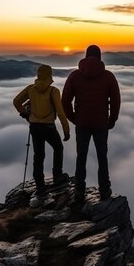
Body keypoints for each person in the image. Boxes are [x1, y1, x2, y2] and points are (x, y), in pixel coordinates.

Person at [62, 45, 121, 202]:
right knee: (102, 157)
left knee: (81, 157)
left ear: (86, 56)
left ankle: (79, 191)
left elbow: (65, 101)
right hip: (101, 123)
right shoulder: (108, 77)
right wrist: (112, 120)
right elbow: (116, 101)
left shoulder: (75, 76)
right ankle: (104, 191)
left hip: (81, 123)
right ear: (99, 57)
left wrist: (73, 118)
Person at [13, 64, 70, 197]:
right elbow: (61, 112)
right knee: (58, 148)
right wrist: (66, 130)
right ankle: (57, 176)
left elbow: (16, 101)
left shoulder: (30, 89)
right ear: (50, 75)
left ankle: (40, 186)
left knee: (38, 155)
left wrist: (25, 114)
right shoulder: (53, 91)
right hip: (49, 127)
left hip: (34, 126)